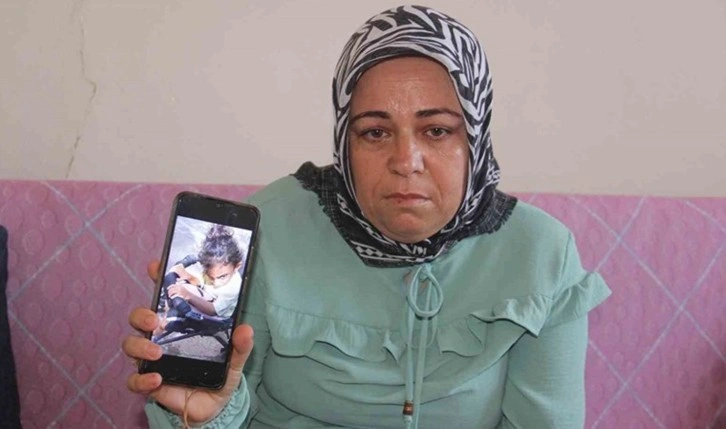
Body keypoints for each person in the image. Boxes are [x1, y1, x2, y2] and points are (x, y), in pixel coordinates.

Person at [123, 5, 611, 428]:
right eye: (375, 133)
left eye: (437, 131)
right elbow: (212, 407)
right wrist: (203, 418)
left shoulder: (540, 253)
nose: (406, 161)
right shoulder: (269, 227)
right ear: (345, 142)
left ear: (475, 141)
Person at [159, 224, 244, 326]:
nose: (216, 283)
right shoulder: (213, 270)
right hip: (207, 296)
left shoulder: (234, 287)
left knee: (170, 319)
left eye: (222, 277)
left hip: (216, 315)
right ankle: (167, 305)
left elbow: (213, 310)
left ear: (237, 266)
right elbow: (202, 284)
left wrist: (187, 295)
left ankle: (162, 323)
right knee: (177, 285)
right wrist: (187, 276)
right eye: (211, 277)